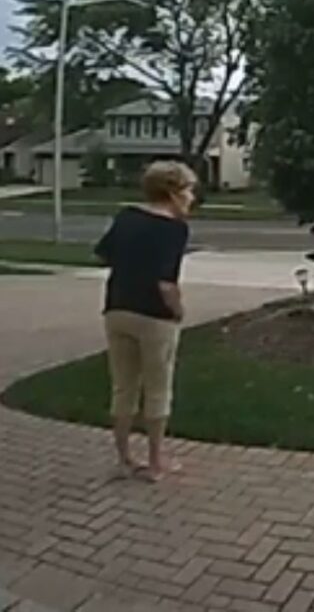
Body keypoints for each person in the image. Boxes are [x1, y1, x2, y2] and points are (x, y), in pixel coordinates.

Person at [95, 160, 196, 481]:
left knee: (123, 386)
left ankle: (124, 458)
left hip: (117, 309)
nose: (192, 197)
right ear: (173, 192)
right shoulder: (175, 229)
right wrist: (178, 310)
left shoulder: (126, 217)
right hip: (155, 317)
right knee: (157, 387)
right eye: (189, 190)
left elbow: (102, 253)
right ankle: (156, 462)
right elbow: (166, 283)